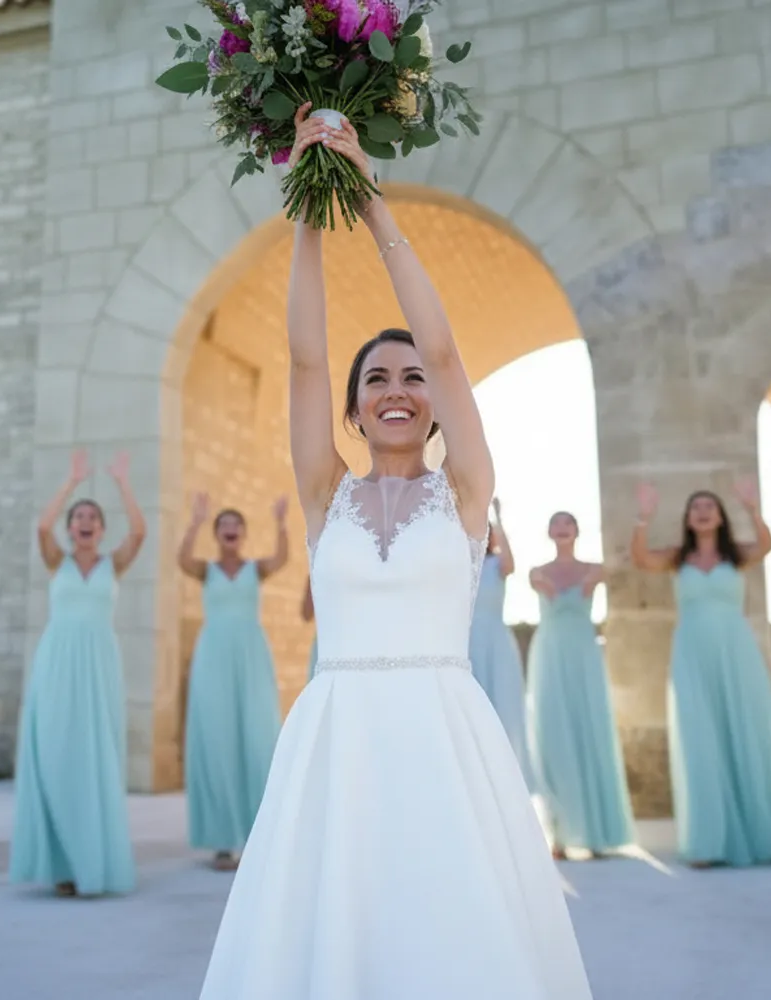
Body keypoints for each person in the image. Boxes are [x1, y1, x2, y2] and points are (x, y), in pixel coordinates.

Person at [197, 106, 593, 1000]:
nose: (399, 389)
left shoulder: (464, 491)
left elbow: (448, 350)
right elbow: (303, 361)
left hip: (443, 741)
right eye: (377, 378)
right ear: (354, 410)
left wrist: (374, 210)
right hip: (336, 742)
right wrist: (305, 205)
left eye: (412, 378)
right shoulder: (321, 491)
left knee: (449, 937)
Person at [631, 480, 771, 869]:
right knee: (700, 737)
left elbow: (766, 546)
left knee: (746, 732)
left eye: (709, 506)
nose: (702, 511)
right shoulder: (677, 558)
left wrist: (753, 508)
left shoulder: (736, 555)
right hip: (692, 655)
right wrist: (643, 517)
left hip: (736, 653)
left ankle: (762, 835)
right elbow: (641, 559)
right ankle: (709, 840)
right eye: (695, 506)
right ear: (687, 518)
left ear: (720, 516)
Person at [8, 448, 146, 898]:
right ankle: (61, 863)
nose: (84, 522)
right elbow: (41, 527)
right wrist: (71, 482)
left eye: (92, 517)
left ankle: (89, 863)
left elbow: (140, 532)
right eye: (78, 517)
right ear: (72, 529)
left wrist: (122, 484)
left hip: (99, 668)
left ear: (101, 529)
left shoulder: (113, 564)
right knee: (55, 753)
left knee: (94, 759)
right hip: (57, 665)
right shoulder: (56, 560)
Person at [177, 493, 291, 872]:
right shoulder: (204, 570)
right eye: (223, 525)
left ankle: (261, 833)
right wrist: (194, 522)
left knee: (258, 737)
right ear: (217, 533)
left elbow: (281, 559)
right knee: (217, 740)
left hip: (250, 656)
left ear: (243, 534)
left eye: (235, 525)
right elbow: (182, 560)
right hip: (213, 658)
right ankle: (222, 841)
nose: (230, 530)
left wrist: (280, 523)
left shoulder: (255, 569)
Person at [526, 511, 636, 861]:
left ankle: (597, 833)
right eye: (555, 523)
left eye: (567, 523)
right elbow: (553, 593)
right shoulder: (537, 573)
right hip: (550, 655)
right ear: (549, 531)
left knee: (590, 732)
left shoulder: (594, 570)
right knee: (555, 737)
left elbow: (622, 562)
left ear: (576, 531)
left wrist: (641, 517)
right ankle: (559, 833)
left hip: (584, 654)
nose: (561, 528)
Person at [470, 498, 531, 781]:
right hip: (466, 644)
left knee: (501, 706)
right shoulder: (461, 567)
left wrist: (498, 517)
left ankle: (504, 776)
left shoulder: (497, 565)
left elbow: (511, 562)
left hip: (496, 641)